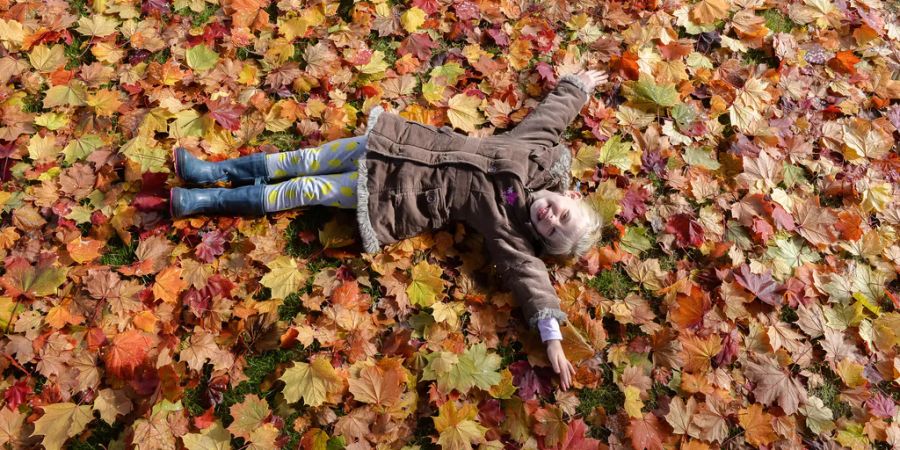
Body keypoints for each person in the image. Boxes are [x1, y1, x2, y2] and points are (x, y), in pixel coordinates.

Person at [170, 69, 608, 390]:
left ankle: (205, 201)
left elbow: (530, 280)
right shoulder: (534, 152)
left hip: (392, 190)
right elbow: (552, 118)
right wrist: (577, 88)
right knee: (300, 161)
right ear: (569, 196)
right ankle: (211, 172)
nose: (549, 219)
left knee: (305, 188)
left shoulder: (512, 233)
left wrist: (551, 334)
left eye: (551, 234)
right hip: (394, 144)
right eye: (562, 215)